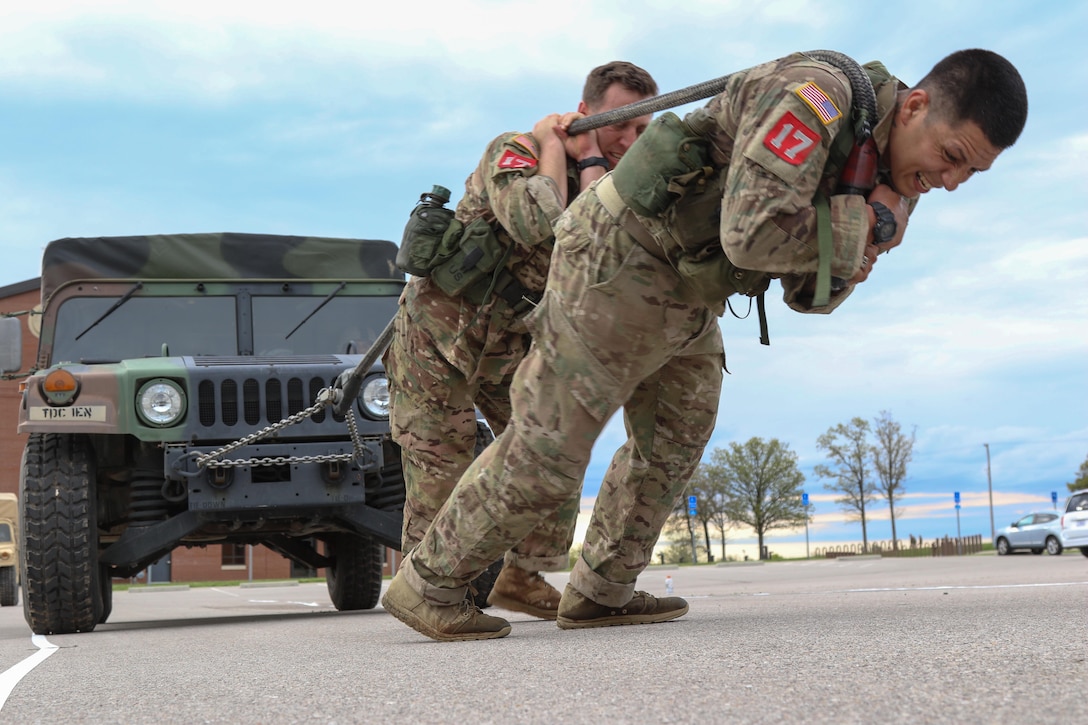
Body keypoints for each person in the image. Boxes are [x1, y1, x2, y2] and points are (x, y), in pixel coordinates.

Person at [382, 49, 1028, 641]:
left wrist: (867, 234)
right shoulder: (815, 97)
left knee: (679, 427)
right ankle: (429, 582)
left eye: (971, 172)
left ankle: (601, 587)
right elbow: (750, 234)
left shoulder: (891, 172)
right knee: (552, 442)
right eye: (952, 156)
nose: (951, 180)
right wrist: (865, 223)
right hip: (620, 256)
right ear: (915, 106)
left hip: (689, 285)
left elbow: (810, 296)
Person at [383, 61, 658, 621]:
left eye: (641, 130)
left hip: (509, 343)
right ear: (583, 116)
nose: (629, 140)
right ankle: (427, 591)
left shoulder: (609, 178)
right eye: (618, 125)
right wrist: (555, 147)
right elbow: (536, 221)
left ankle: (522, 576)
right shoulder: (515, 150)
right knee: (443, 461)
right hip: (437, 340)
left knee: (554, 444)